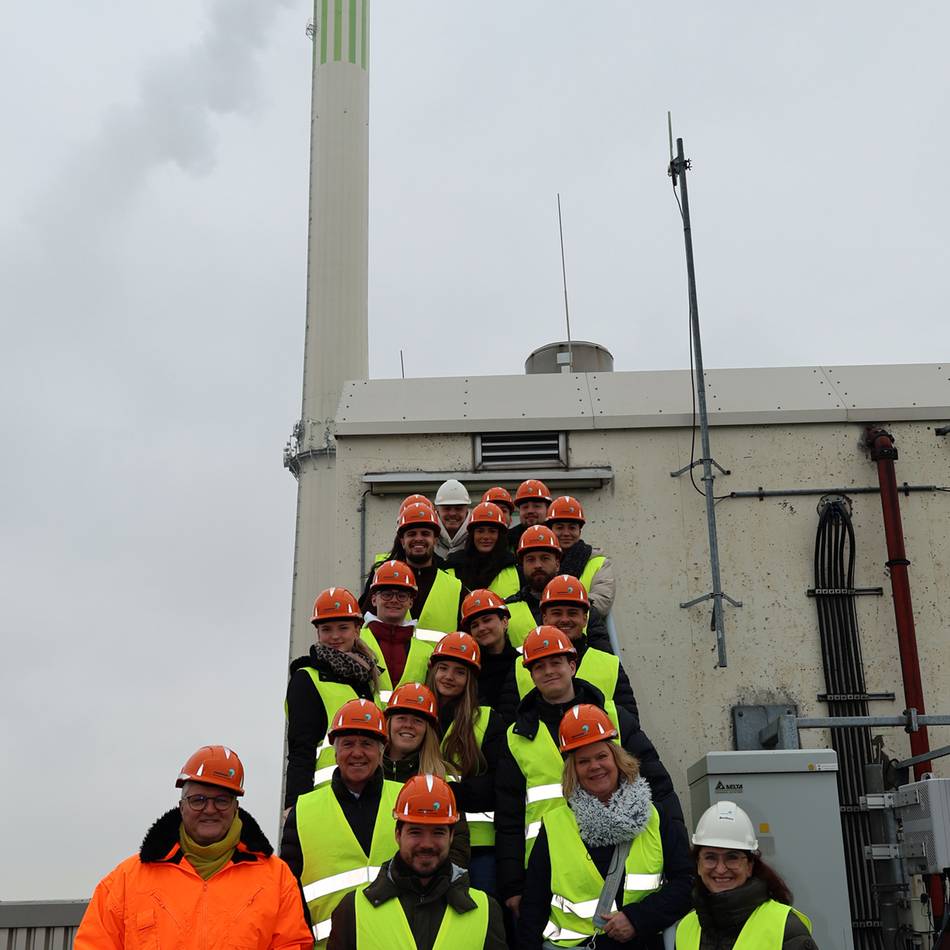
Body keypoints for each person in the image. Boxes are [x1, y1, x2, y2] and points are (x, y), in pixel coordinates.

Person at [494, 627, 681, 920]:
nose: (549, 671)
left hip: (621, 855)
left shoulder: (615, 715)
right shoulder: (516, 736)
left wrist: (677, 853)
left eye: (556, 662)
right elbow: (508, 816)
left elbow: (658, 785)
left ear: (572, 664)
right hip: (549, 871)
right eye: (539, 666)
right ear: (530, 675)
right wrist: (513, 885)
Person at [76, 745, 311, 950]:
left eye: (221, 800)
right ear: (181, 806)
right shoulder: (124, 882)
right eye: (198, 800)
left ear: (235, 807)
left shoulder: (277, 879)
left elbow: (292, 945)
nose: (209, 809)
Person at [518, 705, 693, 948]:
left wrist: (637, 918)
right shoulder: (555, 825)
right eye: (583, 761)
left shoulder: (655, 816)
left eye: (601, 756)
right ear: (573, 771)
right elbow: (534, 907)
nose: (594, 766)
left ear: (617, 759)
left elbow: (687, 883)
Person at [327, 774, 508, 950]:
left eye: (438, 832)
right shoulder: (353, 910)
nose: (427, 844)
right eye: (415, 832)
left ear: (452, 836)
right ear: (398, 834)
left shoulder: (485, 912)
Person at [280, 700, 401, 947]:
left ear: (381, 751)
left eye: (367, 744)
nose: (357, 753)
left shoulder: (405, 802)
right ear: (335, 752)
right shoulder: (303, 811)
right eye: (348, 744)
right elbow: (289, 895)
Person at [425, 631, 507, 894]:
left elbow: (498, 783)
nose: (449, 677)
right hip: (426, 840)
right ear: (432, 670)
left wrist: (450, 794)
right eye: (443, 668)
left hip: (479, 844)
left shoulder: (487, 719)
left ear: (470, 678)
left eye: (459, 672)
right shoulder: (415, 716)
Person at [285, 587, 380, 808]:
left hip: (371, 797)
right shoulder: (306, 679)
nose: (335, 636)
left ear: (357, 629)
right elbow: (301, 751)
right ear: (317, 632)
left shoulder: (368, 678)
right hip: (326, 799)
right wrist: (294, 808)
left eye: (343, 628)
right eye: (326, 629)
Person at [675, 802, 817, 949]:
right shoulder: (685, 928)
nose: (721, 869)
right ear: (698, 864)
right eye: (710, 857)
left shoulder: (786, 928)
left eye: (732, 857)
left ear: (749, 866)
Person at [382, 682, 471, 868]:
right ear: (388, 723)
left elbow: (458, 845)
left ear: (428, 730)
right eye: (401, 718)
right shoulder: (368, 774)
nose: (408, 725)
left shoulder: (443, 778)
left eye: (417, 721)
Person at [361, 502, 464, 634]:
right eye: (412, 534)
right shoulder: (382, 582)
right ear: (402, 541)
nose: (418, 539)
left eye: (425, 533)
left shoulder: (456, 587)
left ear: (435, 540)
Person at [505, 526, 612, 650]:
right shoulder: (506, 611)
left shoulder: (585, 610)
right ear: (522, 565)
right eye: (530, 559)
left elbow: (605, 661)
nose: (538, 565)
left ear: (557, 563)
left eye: (545, 558)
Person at [361, 560, 442, 700]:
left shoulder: (427, 653)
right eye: (387, 594)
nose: (394, 600)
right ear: (374, 599)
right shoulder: (356, 642)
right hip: (364, 721)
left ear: (410, 602)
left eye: (402, 596)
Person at [547, 495, 616, 615]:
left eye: (572, 528)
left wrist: (559, 610)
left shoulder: (599, 563)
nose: (566, 533)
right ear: (550, 530)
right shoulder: (539, 560)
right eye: (559, 527)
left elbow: (602, 601)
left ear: (580, 531)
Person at [458, 589, 520, 712]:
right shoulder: (468, 670)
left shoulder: (523, 664)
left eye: (487, 620)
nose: (481, 628)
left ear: (505, 622)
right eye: (475, 625)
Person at [445, 501, 519, 597]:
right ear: (472, 535)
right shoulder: (453, 566)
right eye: (480, 531)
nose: (486, 536)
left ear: (499, 536)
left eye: (492, 531)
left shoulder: (515, 568)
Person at [508, 478, 553, 552]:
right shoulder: (508, 539)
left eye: (536, 506)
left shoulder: (559, 536)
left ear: (548, 510)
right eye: (525, 507)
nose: (530, 511)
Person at [434, 478, 471, 559]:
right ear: (437, 510)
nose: (452, 513)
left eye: (458, 508)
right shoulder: (427, 539)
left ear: (467, 510)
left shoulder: (476, 539)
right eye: (447, 508)